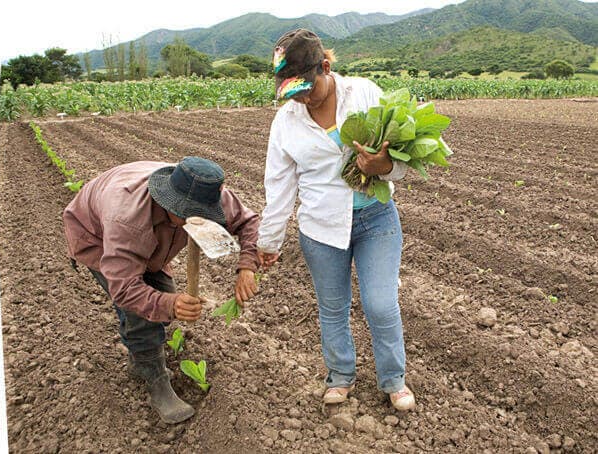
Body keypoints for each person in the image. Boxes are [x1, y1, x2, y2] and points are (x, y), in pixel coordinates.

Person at [257, 29, 415, 411]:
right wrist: (268, 242)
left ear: (325, 67)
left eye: (306, 88)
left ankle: (393, 379)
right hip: (320, 227)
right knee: (333, 308)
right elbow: (279, 187)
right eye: (291, 90)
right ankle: (340, 376)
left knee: (380, 303)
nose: (301, 98)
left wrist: (386, 166)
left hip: (376, 218)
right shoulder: (286, 122)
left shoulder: (364, 93)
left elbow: (406, 163)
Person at [63, 157, 260, 424]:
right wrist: (169, 304)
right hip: (96, 237)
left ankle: (139, 357)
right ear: (169, 201)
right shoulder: (125, 218)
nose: (199, 219)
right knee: (142, 311)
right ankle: (156, 381)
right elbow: (124, 288)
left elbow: (249, 222)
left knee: (162, 295)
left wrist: (247, 266)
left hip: (148, 241)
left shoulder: (207, 191)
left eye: (204, 213)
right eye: (190, 213)